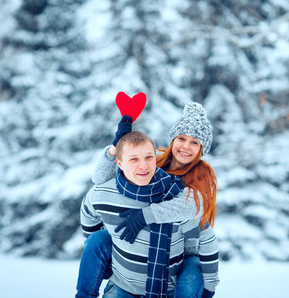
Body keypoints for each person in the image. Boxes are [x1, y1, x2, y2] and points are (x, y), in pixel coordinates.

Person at [76, 102, 219, 298]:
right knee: (99, 239)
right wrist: (115, 147)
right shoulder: (152, 162)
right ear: (173, 139)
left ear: (202, 149)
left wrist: (145, 215)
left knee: (186, 287)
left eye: (195, 142)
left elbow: (193, 207)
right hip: (140, 246)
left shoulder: (202, 176)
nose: (186, 146)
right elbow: (102, 180)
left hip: (185, 250)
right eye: (182, 138)